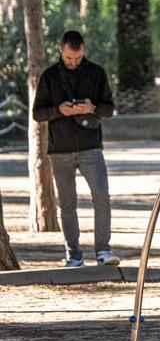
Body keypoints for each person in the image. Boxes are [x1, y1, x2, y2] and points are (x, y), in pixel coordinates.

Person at [31, 30, 119, 267]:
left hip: (91, 147)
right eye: (69, 58)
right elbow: (37, 113)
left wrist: (91, 108)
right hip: (59, 149)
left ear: (83, 51)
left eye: (77, 58)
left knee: (102, 197)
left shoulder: (96, 73)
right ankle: (74, 254)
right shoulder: (49, 76)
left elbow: (109, 108)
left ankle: (103, 250)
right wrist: (60, 109)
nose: (73, 62)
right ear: (61, 50)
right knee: (67, 204)